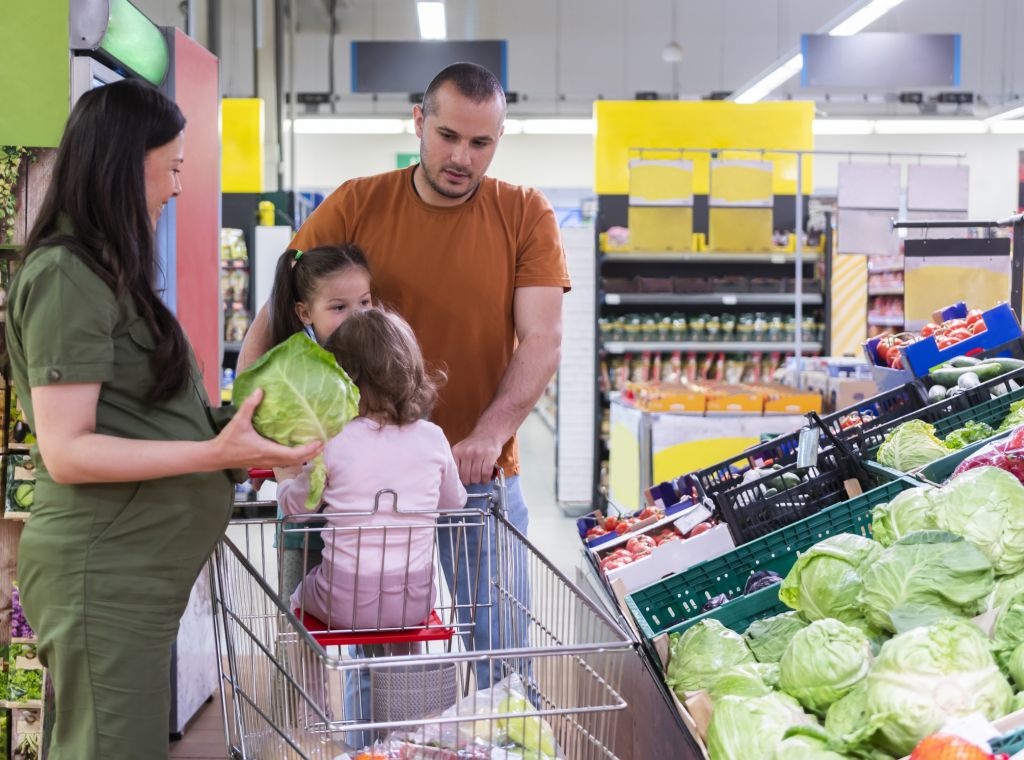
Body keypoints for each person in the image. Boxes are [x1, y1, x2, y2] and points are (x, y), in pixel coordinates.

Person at [5, 79, 320, 760]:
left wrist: (250, 437)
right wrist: (212, 456)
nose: (178, 187)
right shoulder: (65, 276)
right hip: (103, 574)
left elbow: (144, 416)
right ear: (125, 161)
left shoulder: (106, 271)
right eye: (172, 166)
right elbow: (68, 451)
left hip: (131, 574)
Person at [238, 62, 570, 685]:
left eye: (481, 143)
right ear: (419, 121)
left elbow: (543, 337)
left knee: (500, 652)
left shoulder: (525, 212)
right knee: (374, 654)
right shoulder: (356, 203)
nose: (462, 157)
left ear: (499, 139)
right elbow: (281, 310)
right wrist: (255, 424)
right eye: (448, 136)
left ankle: (503, 731)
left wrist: (488, 435)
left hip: (476, 474)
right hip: (359, 474)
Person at [276, 308, 467, 747]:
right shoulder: (433, 438)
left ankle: (315, 714)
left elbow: (297, 511)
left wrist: (287, 478)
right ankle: (402, 731)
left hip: (342, 600)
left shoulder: (334, 442)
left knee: (296, 604)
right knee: (402, 634)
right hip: (413, 598)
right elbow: (455, 503)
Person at [262, 243, 374, 596]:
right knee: (299, 617)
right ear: (305, 312)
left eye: (365, 302)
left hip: (369, 527)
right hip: (306, 526)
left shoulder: (382, 366)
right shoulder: (296, 370)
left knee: (373, 614)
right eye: (339, 307)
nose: (357, 316)